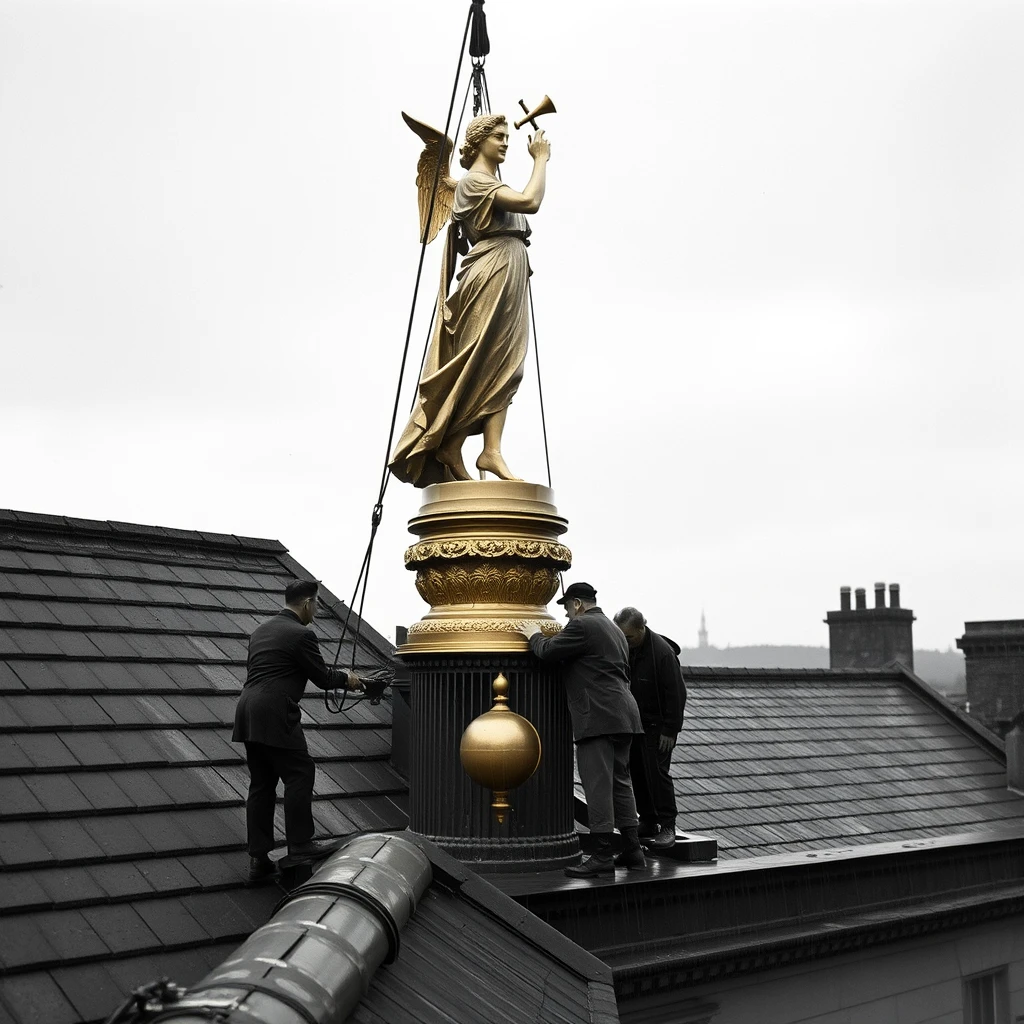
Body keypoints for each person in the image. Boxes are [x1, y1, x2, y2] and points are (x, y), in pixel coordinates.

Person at [389, 113, 551, 486]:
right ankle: (458, 443)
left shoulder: (490, 182)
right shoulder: (473, 183)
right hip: (492, 267)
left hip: (509, 265)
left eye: (507, 136)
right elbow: (529, 201)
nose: (507, 142)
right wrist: (540, 158)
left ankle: (486, 450)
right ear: (478, 142)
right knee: (483, 359)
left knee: (508, 366)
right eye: (499, 136)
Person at [232, 579, 364, 881]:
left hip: (247, 710)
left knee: (262, 783)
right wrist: (348, 679)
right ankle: (301, 845)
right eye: (315, 604)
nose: (315, 611)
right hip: (275, 712)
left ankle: (259, 859)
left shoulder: (260, 630)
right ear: (307, 603)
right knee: (300, 772)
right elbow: (322, 677)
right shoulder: (302, 634)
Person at [521, 582, 646, 877]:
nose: (566, 616)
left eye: (566, 609)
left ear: (577, 603)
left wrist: (533, 635)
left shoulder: (583, 626)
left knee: (598, 785)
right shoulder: (614, 629)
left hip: (598, 718)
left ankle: (602, 854)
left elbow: (547, 651)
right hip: (625, 714)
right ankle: (633, 849)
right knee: (620, 783)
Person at [613, 607, 687, 850]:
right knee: (637, 773)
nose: (625, 642)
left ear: (642, 628)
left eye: (629, 637)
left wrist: (670, 730)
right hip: (635, 724)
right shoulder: (626, 649)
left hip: (659, 728)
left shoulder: (663, 654)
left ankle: (668, 826)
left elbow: (676, 694)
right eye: (621, 637)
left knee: (657, 775)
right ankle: (648, 820)